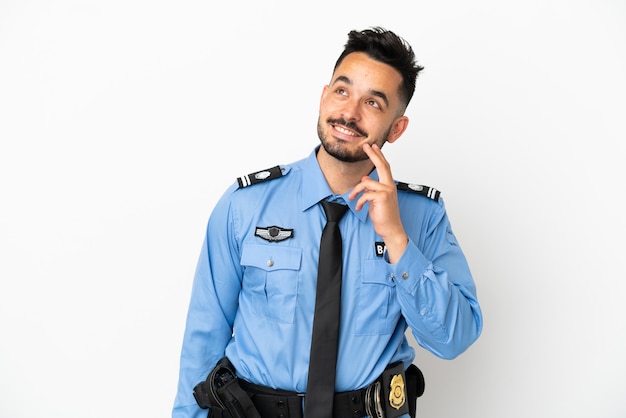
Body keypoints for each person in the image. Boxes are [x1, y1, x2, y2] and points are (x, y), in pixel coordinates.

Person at [172, 26, 483, 418]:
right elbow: (203, 340)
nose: (348, 113)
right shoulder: (245, 205)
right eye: (342, 91)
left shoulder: (422, 217)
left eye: (373, 103)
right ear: (323, 96)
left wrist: (397, 240)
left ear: (396, 127)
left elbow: (453, 339)